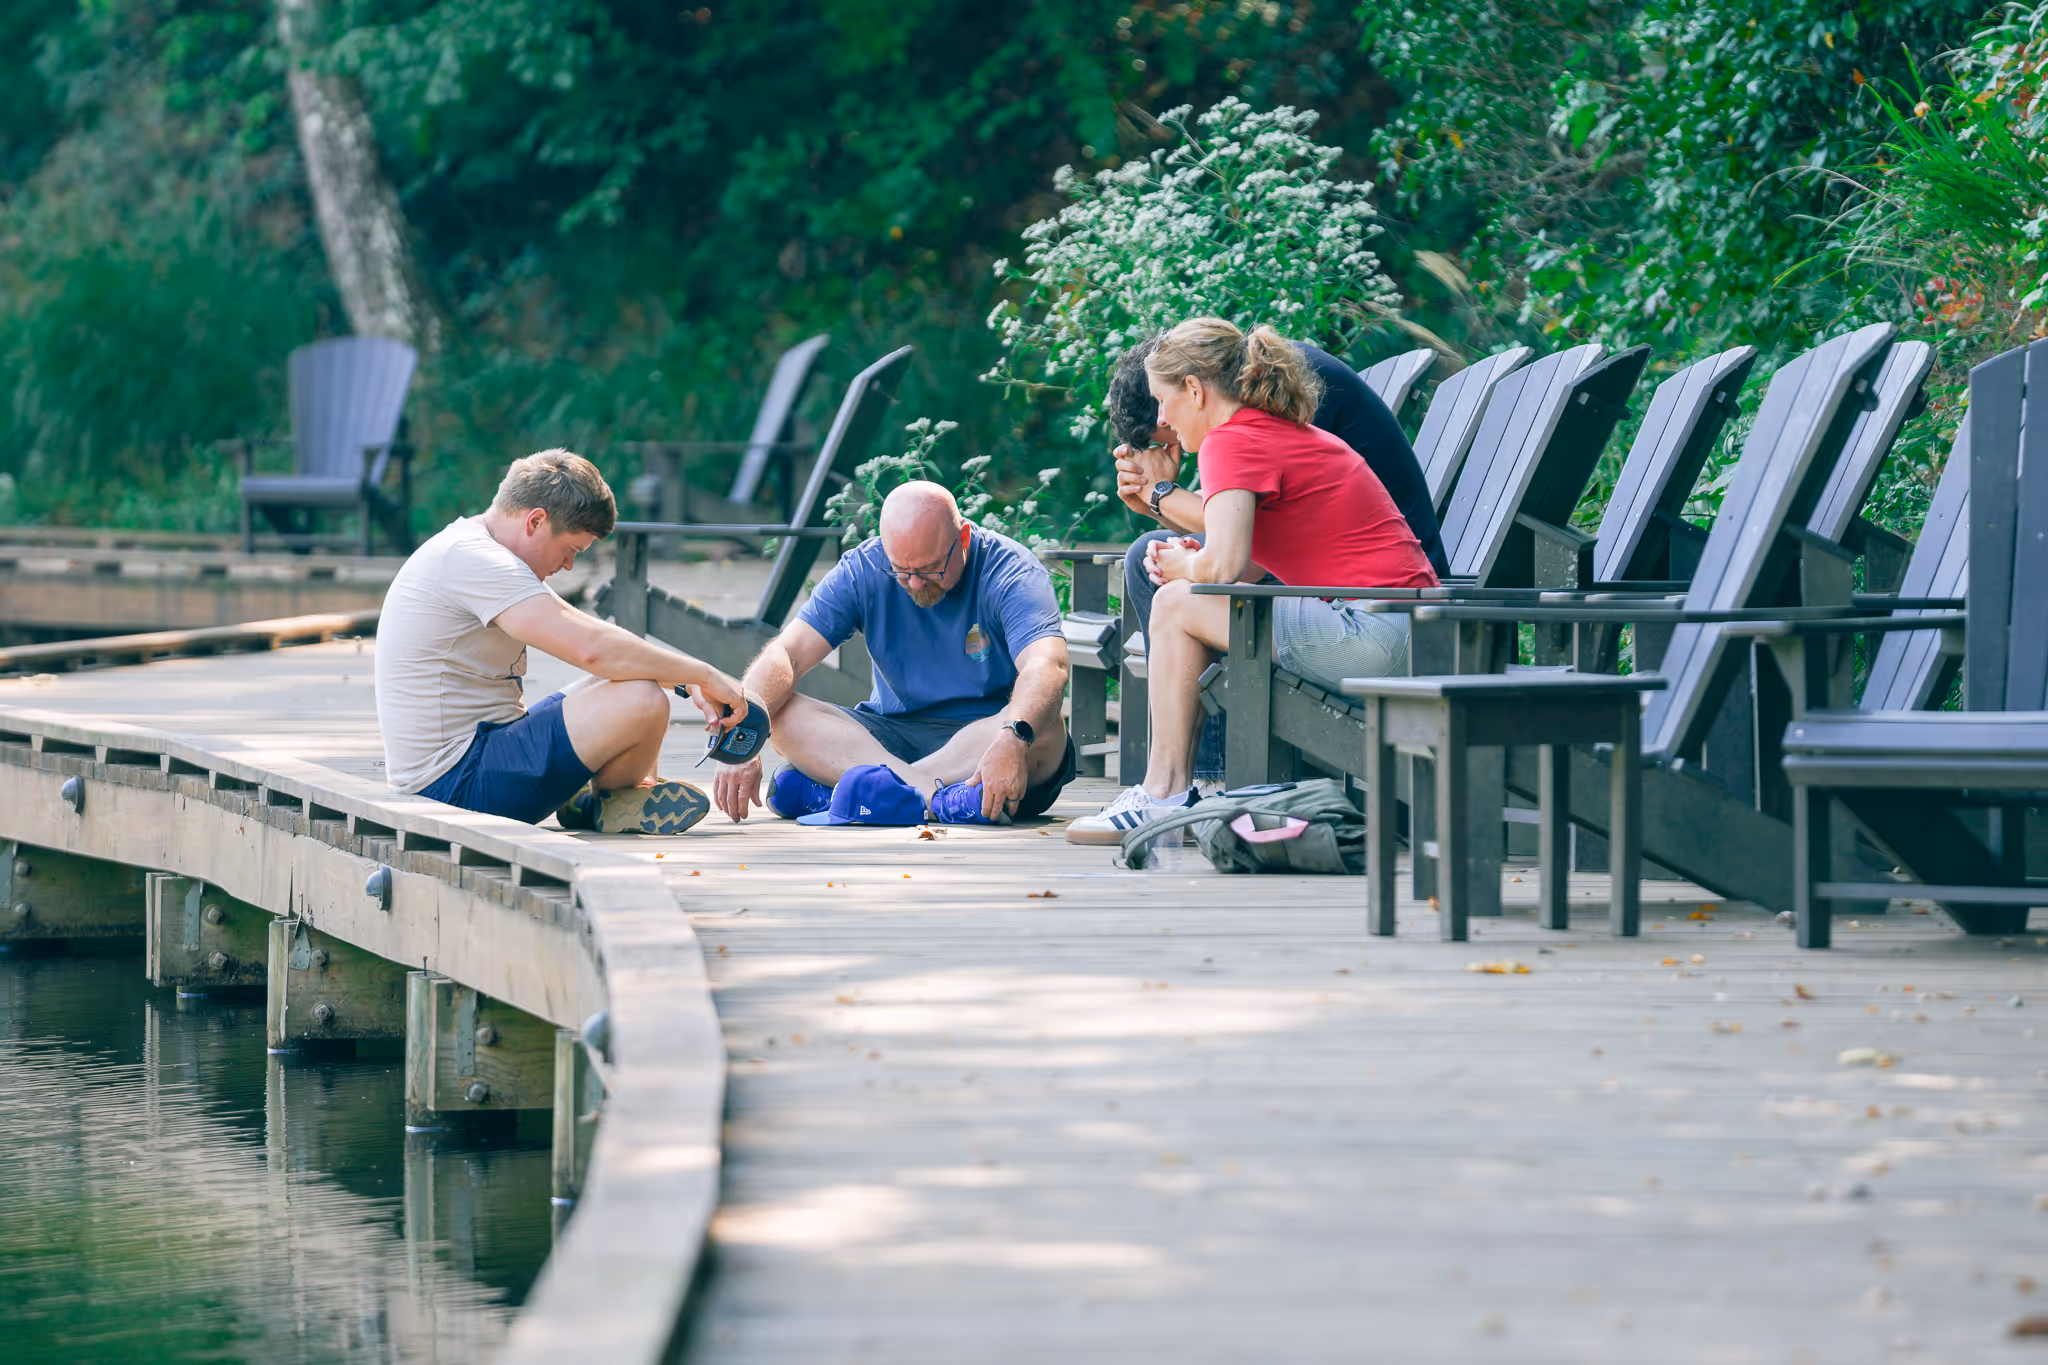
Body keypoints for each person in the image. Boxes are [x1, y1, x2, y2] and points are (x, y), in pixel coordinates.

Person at [1065, 320, 1439, 845]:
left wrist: (1186, 565)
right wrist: (1194, 554)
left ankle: (1164, 795)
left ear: (1194, 390)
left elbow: (1220, 569)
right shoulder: (1263, 432)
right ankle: (1171, 789)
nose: (1164, 420)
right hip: (1408, 631)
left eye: (1163, 401)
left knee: (1175, 602)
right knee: (1182, 595)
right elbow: (1241, 561)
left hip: (1381, 635)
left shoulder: (1231, 442)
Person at [375, 449, 751, 835]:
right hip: (454, 787)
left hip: (479, 759)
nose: (568, 566)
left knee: (639, 677)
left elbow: (597, 636)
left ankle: (596, 800)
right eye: (570, 550)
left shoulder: (475, 548)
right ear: (536, 521)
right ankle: (612, 800)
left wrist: (689, 683)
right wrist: (705, 675)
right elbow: (593, 651)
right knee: (642, 697)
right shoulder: (475, 560)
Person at [710, 480, 1075, 826]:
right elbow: (787, 654)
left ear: (962, 537)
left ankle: (859, 792)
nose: (915, 583)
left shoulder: (1011, 571)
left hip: (985, 739)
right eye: (901, 570)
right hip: (893, 738)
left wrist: (1013, 735)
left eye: (930, 568)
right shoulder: (865, 567)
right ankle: (934, 800)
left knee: (1044, 727)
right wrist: (744, 732)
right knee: (777, 713)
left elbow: (1048, 664)